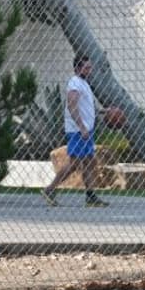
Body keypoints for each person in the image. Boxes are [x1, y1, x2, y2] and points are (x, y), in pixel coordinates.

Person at [41, 54, 108, 207]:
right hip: (78, 130)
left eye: (90, 67)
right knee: (75, 163)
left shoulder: (84, 84)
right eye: (86, 68)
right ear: (78, 68)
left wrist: (104, 111)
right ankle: (49, 189)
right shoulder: (75, 83)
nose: (89, 70)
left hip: (87, 130)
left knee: (89, 161)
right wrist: (82, 127)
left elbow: (87, 107)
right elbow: (72, 106)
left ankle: (90, 196)